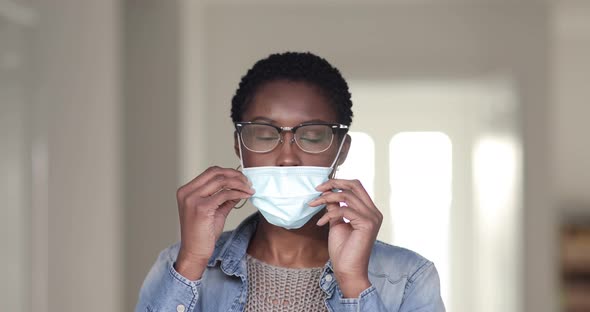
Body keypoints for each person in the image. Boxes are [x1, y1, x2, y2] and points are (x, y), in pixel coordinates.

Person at [135, 52, 445, 312]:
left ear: (341, 150)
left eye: (311, 136)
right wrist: (192, 260)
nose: (287, 157)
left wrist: (353, 282)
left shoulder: (409, 277)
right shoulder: (179, 265)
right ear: (239, 146)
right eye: (266, 135)